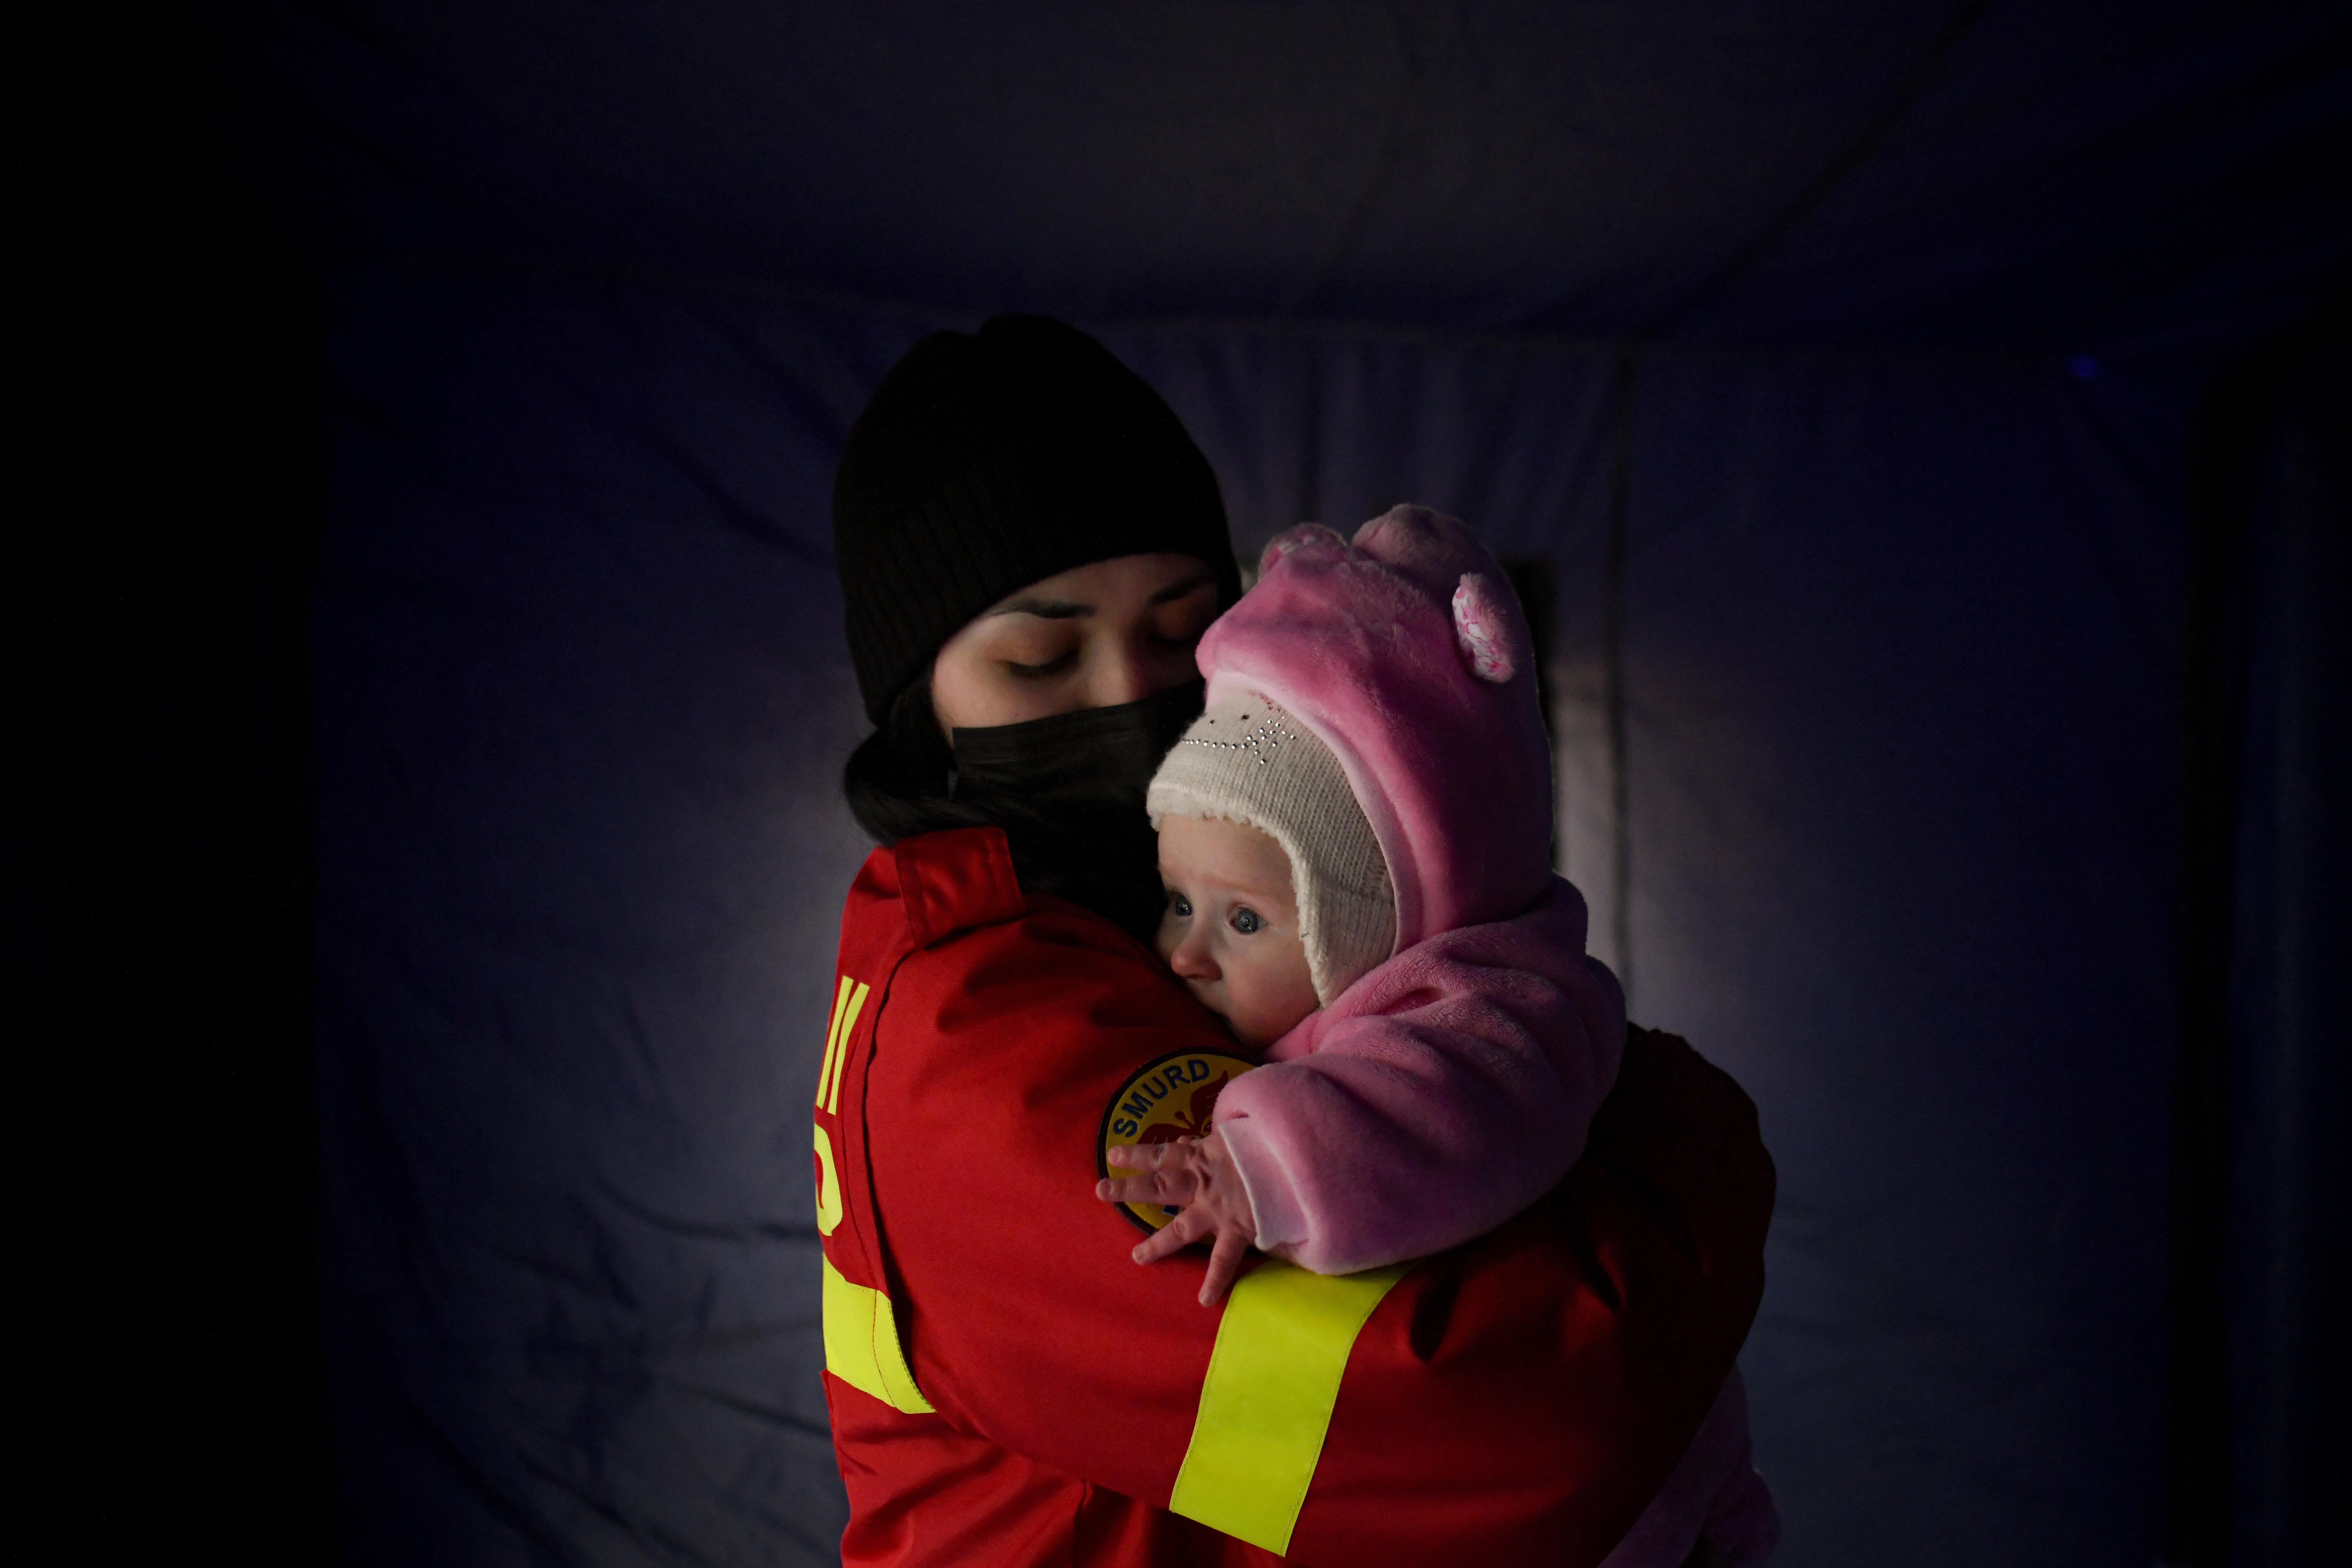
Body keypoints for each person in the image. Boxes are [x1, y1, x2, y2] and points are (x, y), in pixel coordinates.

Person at [816, 313, 1774, 1566]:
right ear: (916, 716)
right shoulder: (991, 1037)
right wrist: (1683, 1130)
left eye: (1177, 634)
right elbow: (1525, 1425)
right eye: (1043, 658)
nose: (1126, 700)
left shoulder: (1159, 942)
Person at [1097, 505, 1777, 1566]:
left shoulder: (1499, 1006)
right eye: (1177, 901)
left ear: (1376, 924)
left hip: (1616, 1520)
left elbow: (1445, 1114)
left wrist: (1259, 1165)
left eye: (1242, 920)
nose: (1185, 953)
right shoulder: (1330, 998)